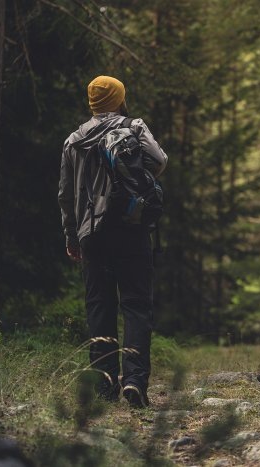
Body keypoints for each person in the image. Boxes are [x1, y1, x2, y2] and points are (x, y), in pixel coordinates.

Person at [58, 75, 167, 408]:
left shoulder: (73, 141)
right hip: (131, 228)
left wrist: (71, 235)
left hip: (91, 235)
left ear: (92, 103)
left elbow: (65, 195)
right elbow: (160, 160)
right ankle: (134, 382)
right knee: (136, 305)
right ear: (119, 98)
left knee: (99, 307)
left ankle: (104, 387)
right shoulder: (133, 127)